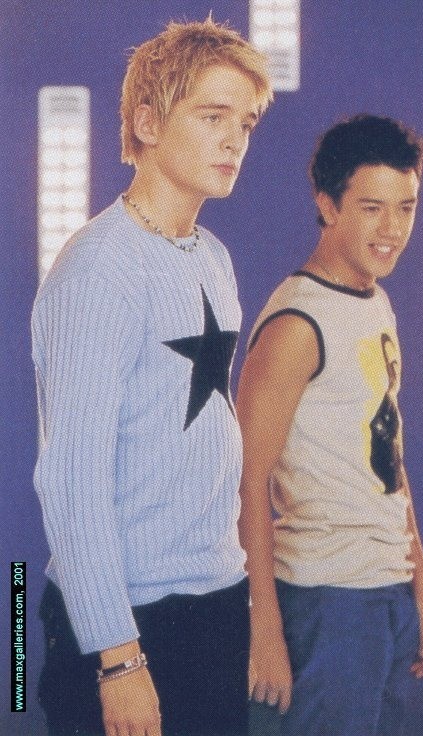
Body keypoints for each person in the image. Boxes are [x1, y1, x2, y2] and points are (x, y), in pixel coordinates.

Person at [32, 18, 272, 736]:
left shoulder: (213, 257)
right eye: (213, 116)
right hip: (128, 624)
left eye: (246, 123)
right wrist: (118, 660)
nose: (235, 140)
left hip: (215, 605)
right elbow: (71, 481)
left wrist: (241, 600)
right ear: (146, 122)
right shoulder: (98, 269)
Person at [236, 114, 423, 736]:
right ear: (327, 206)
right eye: (371, 209)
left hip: (386, 592)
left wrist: (421, 585)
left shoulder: (374, 301)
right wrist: (265, 631)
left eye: (406, 208)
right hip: (325, 600)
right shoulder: (296, 324)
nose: (392, 230)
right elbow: (245, 480)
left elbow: (388, 459)